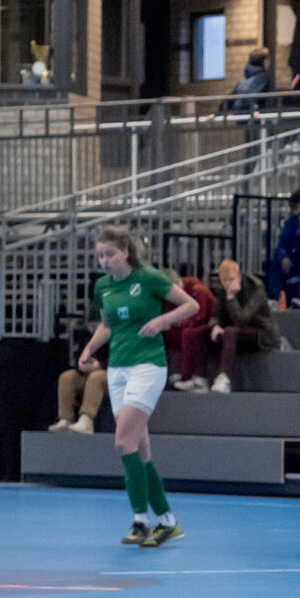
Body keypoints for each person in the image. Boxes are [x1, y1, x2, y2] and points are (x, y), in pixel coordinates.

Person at [78, 227, 200, 548]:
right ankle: (166, 522)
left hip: (147, 366)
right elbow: (107, 325)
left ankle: (140, 520)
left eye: (110, 254)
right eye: (100, 255)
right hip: (118, 368)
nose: (104, 261)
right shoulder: (102, 285)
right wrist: (89, 348)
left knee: (123, 441)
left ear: (125, 252)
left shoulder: (149, 278)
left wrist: (162, 321)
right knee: (140, 449)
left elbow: (191, 305)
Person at [178, 258, 278, 394]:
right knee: (199, 333)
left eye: (231, 279)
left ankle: (224, 378)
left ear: (239, 276)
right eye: (224, 280)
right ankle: (200, 379)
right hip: (234, 332)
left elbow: (242, 319)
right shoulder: (222, 288)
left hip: (259, 333)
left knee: (230, 332)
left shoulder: (255, 288)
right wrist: (215, 326)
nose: (227, 283)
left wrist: (231, 297)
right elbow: (216, 314)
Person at [51, 331, 108, 433]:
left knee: (96, 377)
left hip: (112, 375)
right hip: (87, 375)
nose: (92, 328)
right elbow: (79, 357)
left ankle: (86, 420)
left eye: (96, 325)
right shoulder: (85, 335)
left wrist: (101, 365)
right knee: (67, 377)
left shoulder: (117, 334)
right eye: (90, 325)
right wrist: (81, 366)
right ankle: (65, 419)